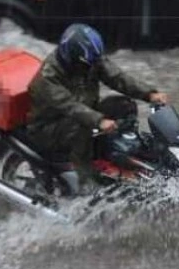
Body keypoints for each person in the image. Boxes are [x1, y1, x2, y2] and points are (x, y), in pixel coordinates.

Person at [25, 23, 168, 195]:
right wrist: (99, 120)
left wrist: (149, 94)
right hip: (48, 127)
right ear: (71, 56)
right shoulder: (48, 78)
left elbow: (118, 78)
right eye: (87, 63)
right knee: (80, 127)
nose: (93, 66)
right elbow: (70, 106)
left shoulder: (91, 60)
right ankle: (85, 183)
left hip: (86, 112)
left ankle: (121, 155)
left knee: (124, 105)